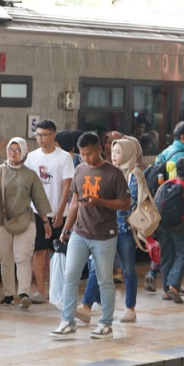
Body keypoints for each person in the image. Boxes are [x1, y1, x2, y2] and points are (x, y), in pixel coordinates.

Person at [51, 132, 132, 339]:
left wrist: (99, 202)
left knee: (105, 279)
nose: (85, 158)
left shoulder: (113, 174)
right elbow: (75, 202)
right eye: (82, 154)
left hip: (104, 235)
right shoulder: (79, 170)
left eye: (89, 154)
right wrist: (66, 230)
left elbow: (125, 204)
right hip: (79, 232)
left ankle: (106, 323)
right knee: (70, 276)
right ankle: (67, 320)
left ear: (99, 150)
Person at [76, 137, 146, 324]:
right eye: (113, 152)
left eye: (118, 152)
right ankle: (87, 305)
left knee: (128, 269)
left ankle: (130, 308)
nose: (114, 156)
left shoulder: (135, 174)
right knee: (97, 267)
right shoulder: (106, 172)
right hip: (105, 228)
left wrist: (101, 201)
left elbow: (127, 204)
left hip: (125, 230)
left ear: (129, 153)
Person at [0, 138, 53, 310]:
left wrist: (45, 222)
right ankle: (8, 294)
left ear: (24, 152)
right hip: (1, 220)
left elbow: (39, 200)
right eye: (10, 150)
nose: (13, 153)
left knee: (23, 258)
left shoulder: (30, 175)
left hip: (25, 220)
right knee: (5, 259)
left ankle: (24, 293)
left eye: (17, 150)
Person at [25, 119, 75, 303]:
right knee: (38, 251)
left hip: (59, 213)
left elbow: (66, 187)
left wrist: (60, 212)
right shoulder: (31, 157)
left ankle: (59, 289)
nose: (39, 138)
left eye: (43, 135)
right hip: (37, 212)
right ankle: (41, 290)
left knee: (60, 252)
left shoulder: (64, 157)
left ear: (53, 135)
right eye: (37, 135)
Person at [144, 121, 184, 292]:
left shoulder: (165, 152)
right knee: (178, 252)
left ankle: (163, 283)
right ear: (182, 137)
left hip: (160, 208)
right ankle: (172, 285)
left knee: (166, 250)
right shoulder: (179, 156)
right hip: (175, 215)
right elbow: (176, 189)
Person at [155, 156, 184, 303]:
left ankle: (166, 292)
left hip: (163, 228)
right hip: (182, 229)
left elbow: (156, 206)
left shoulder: (165, 185)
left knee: (166, 257)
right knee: (181, 255)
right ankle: (174, 286)